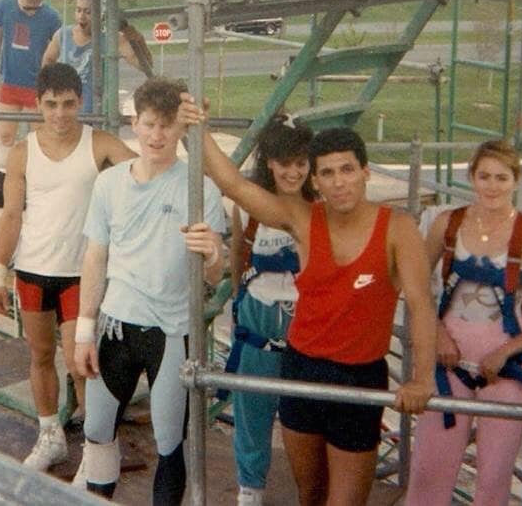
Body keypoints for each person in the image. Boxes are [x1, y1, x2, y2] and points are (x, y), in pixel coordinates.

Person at [179, 99, 436, 506]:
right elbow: (234, 185)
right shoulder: (303, 220)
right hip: (302, 371)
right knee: (310, 496)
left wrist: (422, 377)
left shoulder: (398, 229)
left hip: (358, 377)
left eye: (348, 170)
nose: (339, 182)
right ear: (315, 181)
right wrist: (197, 125)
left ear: (365, 173)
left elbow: (421, 304)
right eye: (328, 173)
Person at [72, 77, 226, 504]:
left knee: (169, 440)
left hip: (171, 331)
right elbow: (94, 258)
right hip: (117, 326)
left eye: (168, 125)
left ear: (182, 128)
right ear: (134, 124)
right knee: (97, 431)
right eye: (149, 124)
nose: (157, 136)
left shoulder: (200, 189)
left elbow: (217, 275)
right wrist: (85, 332)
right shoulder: (109, 184)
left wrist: (212, 255)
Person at [0, 63, 136, 472]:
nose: (60, 114)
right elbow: (11, 215)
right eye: (51, 105)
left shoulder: (100, 144)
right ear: (37, 105)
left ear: (80, 102)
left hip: (79, 273)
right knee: (39, 354)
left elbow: (145, 174)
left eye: (68, 104)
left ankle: (95, 445)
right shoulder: (22, 153)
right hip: (32, 269)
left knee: (79, 362)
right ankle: (50, 435)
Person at [406, 140, 522, 506]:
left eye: (502, 178)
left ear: (515, 180)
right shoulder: (448, 225)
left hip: (505, 369)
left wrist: (508, 350)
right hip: (448, 366)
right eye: (484, 176)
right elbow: (416, 285)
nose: (492, 186)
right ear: (472, 178)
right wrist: (437, 332)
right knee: (429, 473)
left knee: (493, 480)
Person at [225, 115, 316, 506]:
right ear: (269, 162)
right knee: (252, 411)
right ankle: (250, 491)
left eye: (300, 163)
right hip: (259, 319)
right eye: (284, 163)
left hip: (308, 322)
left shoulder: (320, 209)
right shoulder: (248, 209)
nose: (292, 172)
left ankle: (312, 492)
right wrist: (237, 315)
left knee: (307, 419)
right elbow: (236, 266)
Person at [0, 0, 62, 209]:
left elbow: (57, 50)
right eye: (26, 8)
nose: (30, 12)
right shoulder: (4, 6)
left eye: (35, 9)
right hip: (11, 81)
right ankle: (1, 189)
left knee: (37, 139)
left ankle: (33, 189)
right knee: (5, 135)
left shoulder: (52, 17)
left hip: (36, 85)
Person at [41, 0, 154, 113]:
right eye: (78, 10)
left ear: (101, 13)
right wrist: (48, 88)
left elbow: (144, 66)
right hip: (66, 111)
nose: (81, 16)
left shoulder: (112, 38)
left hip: (97, 112)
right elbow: (48, 59)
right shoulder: (63, 35)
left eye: (88, 12)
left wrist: (139, 40)